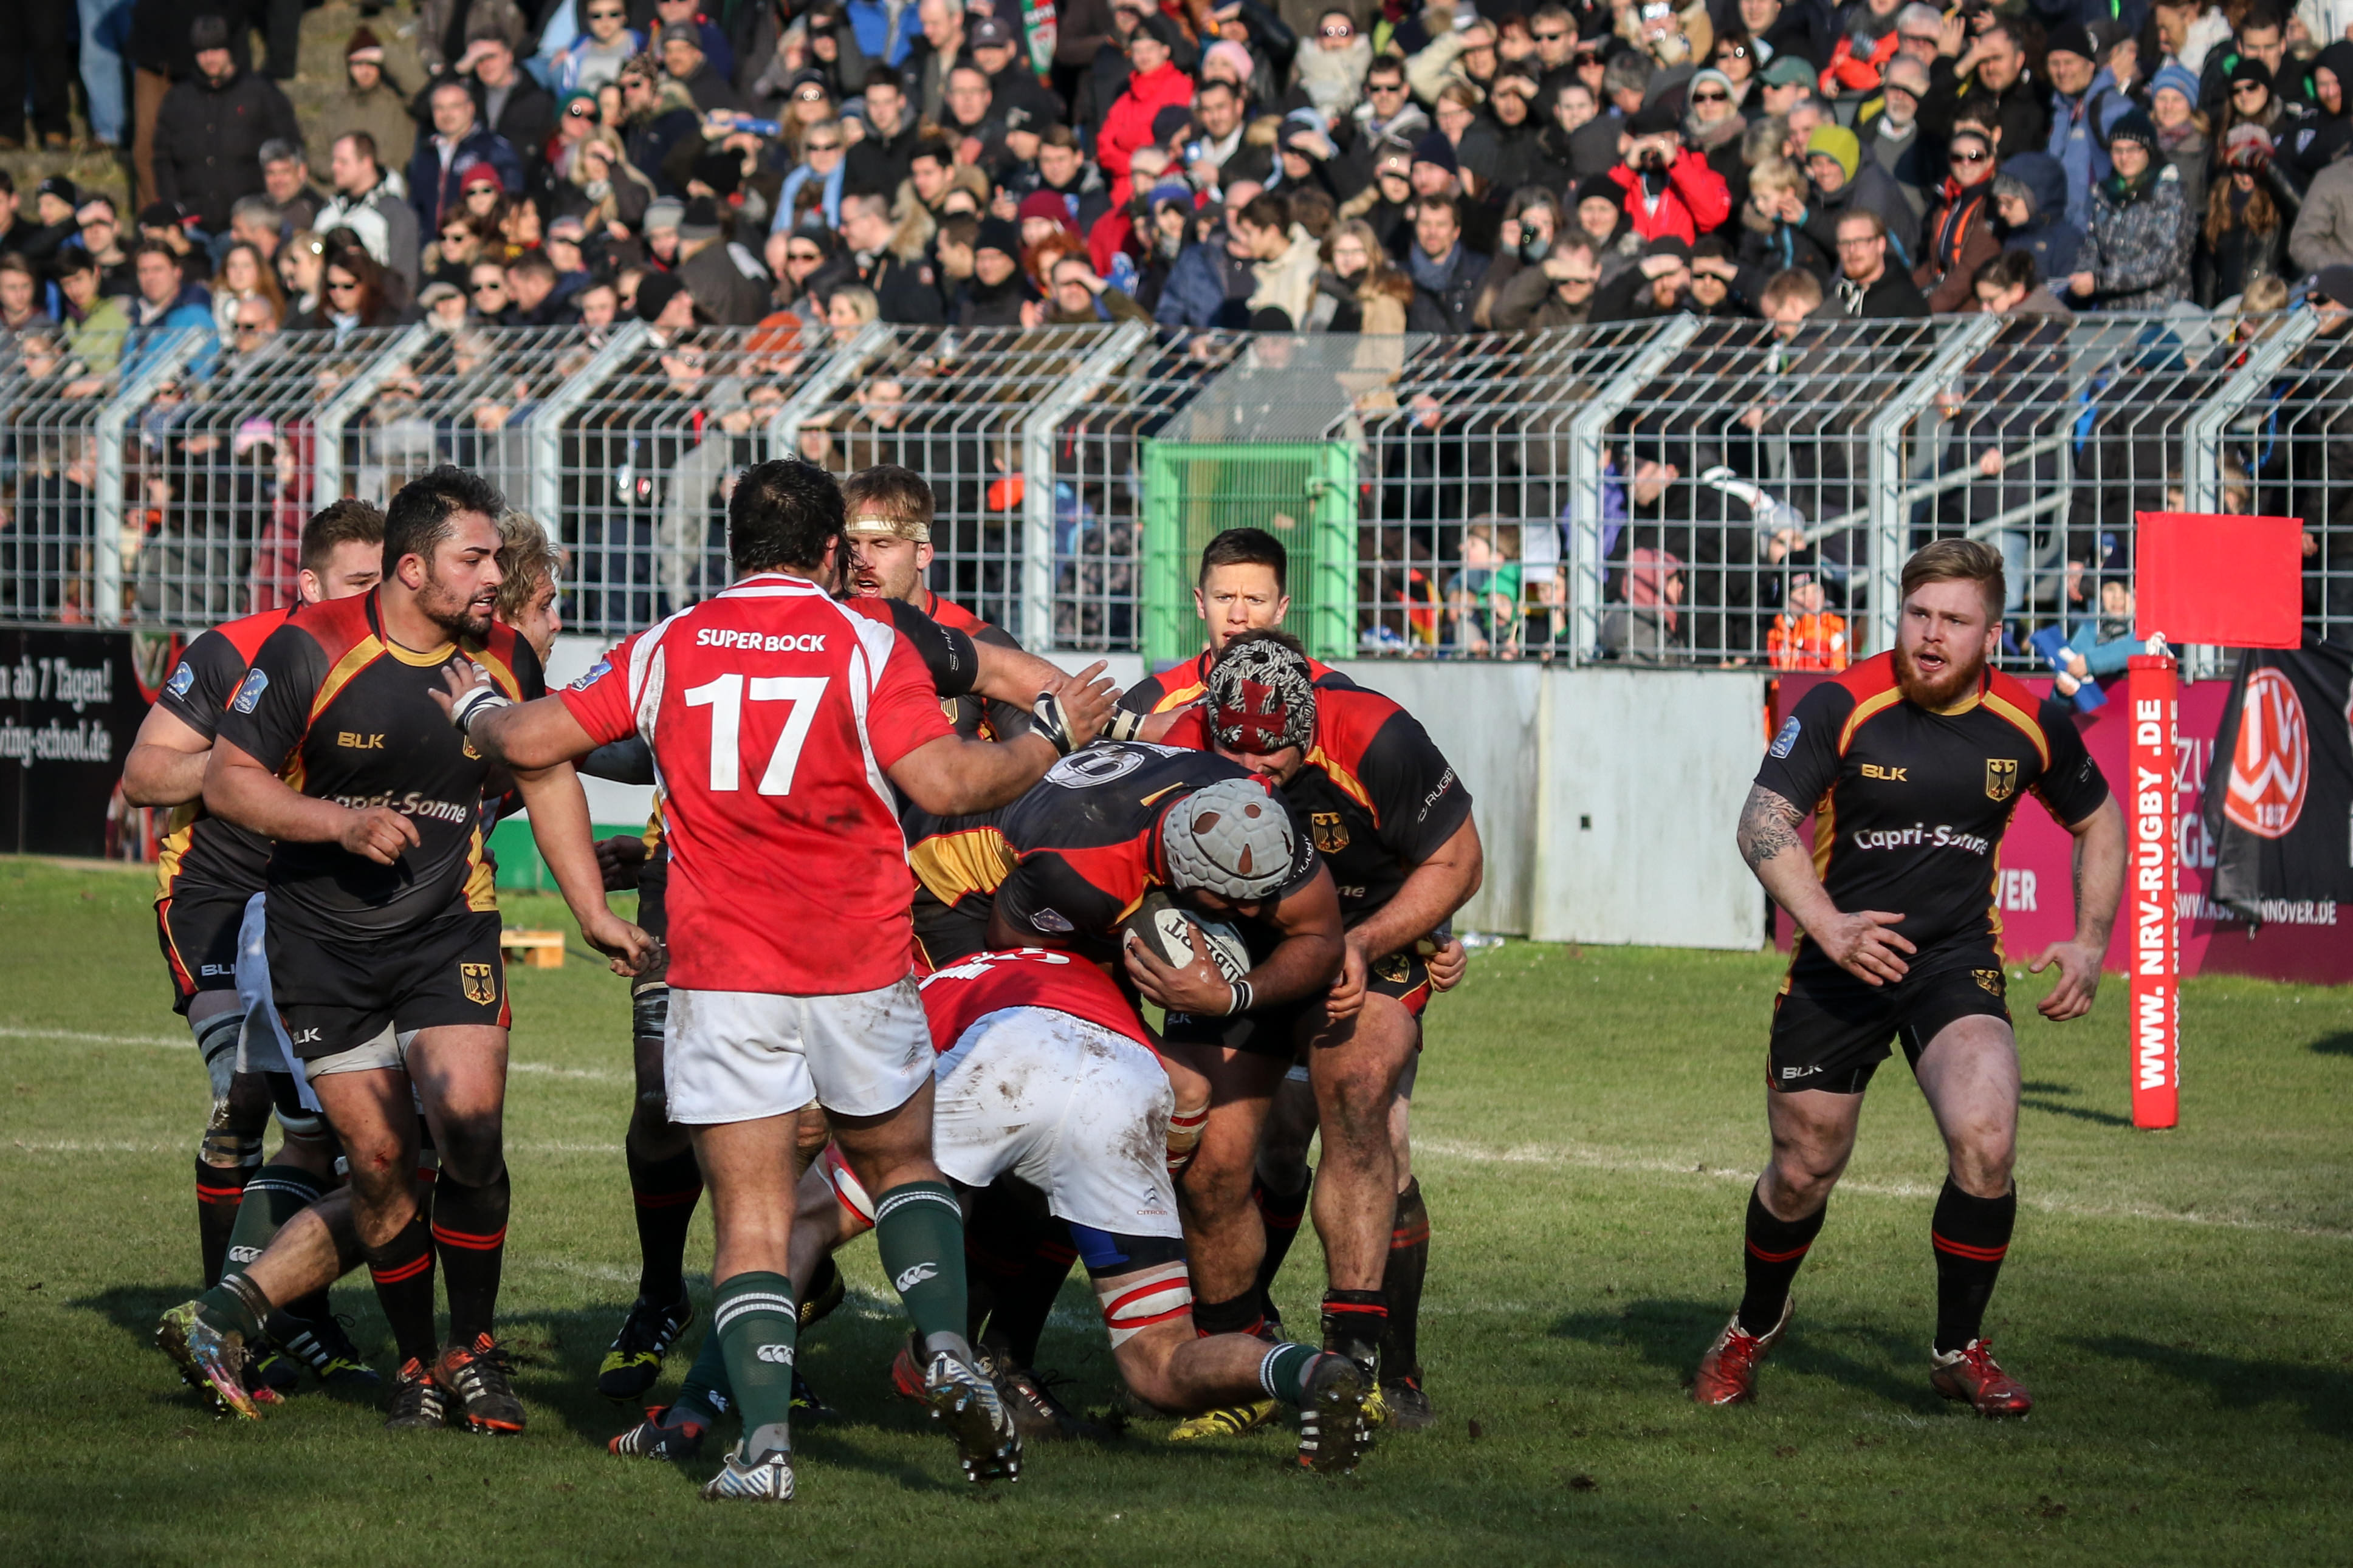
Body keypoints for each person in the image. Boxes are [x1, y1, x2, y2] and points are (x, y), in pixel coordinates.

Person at [448, 458, 1121, 1499]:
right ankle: (948, 1352)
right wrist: (1051, 739)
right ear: (829, 551)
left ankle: (763, 1453)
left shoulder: (672, 641)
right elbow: (950, 780)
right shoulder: (867, 640)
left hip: (723, 973)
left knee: (753, 1220)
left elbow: (535, 741)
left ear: (733, 548)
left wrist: (475, 713)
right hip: (857, 960)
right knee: (903, 1169)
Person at [155, 467, 651, 1434]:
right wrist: (338, 824)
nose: (493, 577)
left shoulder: (503, 655)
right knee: (379, 1163)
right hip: (320, 947)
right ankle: (417, 1363)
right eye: (475, 559)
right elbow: (230, 782)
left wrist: (591, 911)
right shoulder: (311, 649)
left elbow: (546, 775)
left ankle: (473, 1348)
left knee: (469, 1130)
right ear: (413, 568)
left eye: (497, 559)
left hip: (447, 931)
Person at [623, 945, 1381, 1473]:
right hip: (1126, 1082)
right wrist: (1145, 1184)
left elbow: (841, 1111)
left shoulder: (923, 988)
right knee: (1157, 1361)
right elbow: (1188, 1091)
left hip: (1004, 1054)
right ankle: (1309, 1370)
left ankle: (695, 1413)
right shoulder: (1091, 978)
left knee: (792, 1224)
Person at [1695, 539, 2124, 1416]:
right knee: (1802, 1170)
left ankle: (1958, 1349)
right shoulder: (1841, 703)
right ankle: (1753, 1324)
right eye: (1918, 614)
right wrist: (1829, 926)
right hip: (1838, 959)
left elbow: (2102, 821)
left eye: (1954, 620)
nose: (1931, 635)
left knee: (1987, 1138)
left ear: (1991, 635)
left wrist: (2089, 940)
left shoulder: (2027, 721)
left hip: (1952, 960)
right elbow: (1762, 821)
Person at [1155, 632, 1479, 1429]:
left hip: (1362, 935)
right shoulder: (1179, 745)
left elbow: (1458, 861)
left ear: (1308, 726)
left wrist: (1366, 942)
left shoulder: (1376, 737)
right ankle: (1238, 1361)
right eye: (1236, 753)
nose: (1251, 771)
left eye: (1271, 756)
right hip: (1238, 947)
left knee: (1359, 1095)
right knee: (1210, 1155)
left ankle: (1359, 1363)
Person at [119, 501, 384, 1332]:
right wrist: (245, 759)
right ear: (308, 583)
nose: (374, 598)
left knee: (335, 1122)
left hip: (315, 906)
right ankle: (226, 1319)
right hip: (215, 894)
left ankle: (289, 1317)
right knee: (243, 1098)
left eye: (384, 582)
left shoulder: (387, 659)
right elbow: (143, 776)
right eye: (358, 582)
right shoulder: (233, 649)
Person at [151, 15, 304, 236]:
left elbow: (290, 145)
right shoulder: (177, 100)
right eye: (202, 51)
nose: (209, 58)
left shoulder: (261, 93)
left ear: (230, 50)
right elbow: (163, 159)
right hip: (193, 223)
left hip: (248, 223)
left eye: (216, 49)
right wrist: (175, 208)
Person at [2068, 112, 2190, 310]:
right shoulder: (2104, 195)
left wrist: (2102, 280)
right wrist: (2082, 276)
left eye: (2133, 150)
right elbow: (2091, 248)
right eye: (2117, 150)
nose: (2124, 158)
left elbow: (2165, 260)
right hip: (2112, 314)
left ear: (2148, 150)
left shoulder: (2169, 194)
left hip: (2160, 313)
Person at [317, 132, 423, 297]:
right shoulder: (329, 209)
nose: (334, 167)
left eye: (343, 162)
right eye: (334, 161)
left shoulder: (396, 213)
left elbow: (404, 279)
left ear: (366, 162)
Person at [1829, 209, 1927, 317]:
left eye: (1861, 241)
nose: (1852, 250)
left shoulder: (1906, 302)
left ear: (1881, 244)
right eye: (1845, 243)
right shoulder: (1834, 296)